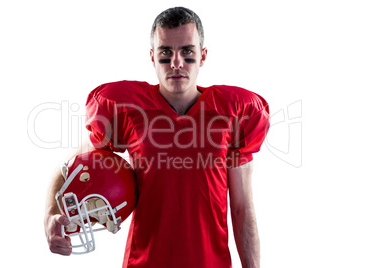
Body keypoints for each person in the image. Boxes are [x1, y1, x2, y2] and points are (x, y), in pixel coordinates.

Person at [44, 6, 270, 268]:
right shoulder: (128, 109)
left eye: (187, 51)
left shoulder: (233, 112)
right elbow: (72, 165)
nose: (176, 63)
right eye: (166, 52)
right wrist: (50, 216)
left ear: (203, 56)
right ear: (152, 58)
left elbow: (242, 208)